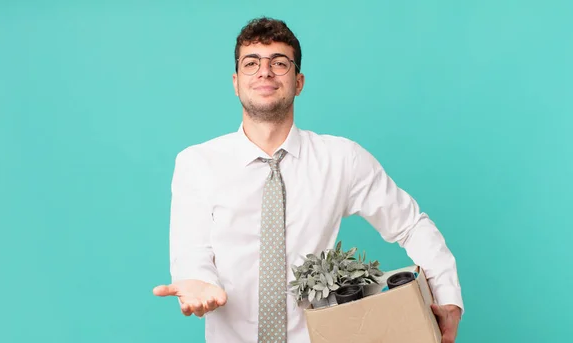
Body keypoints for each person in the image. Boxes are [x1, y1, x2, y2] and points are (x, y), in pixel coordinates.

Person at [153, 17, 464, 343]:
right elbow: (191, 250)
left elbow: (410, 225)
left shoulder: (342, 159)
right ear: (235, 81)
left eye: (279, 62)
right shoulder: (197, 163)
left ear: (299, 81)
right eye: (251, 63)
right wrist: (197, 281)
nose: (265, 71)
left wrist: (448, 297)